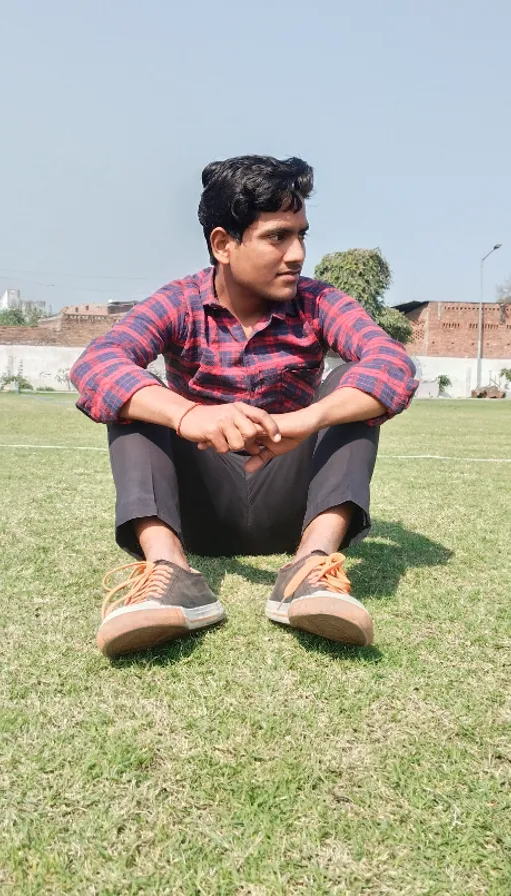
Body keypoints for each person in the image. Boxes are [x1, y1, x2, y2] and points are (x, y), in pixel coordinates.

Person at [71, 155, 418, 659]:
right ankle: (170, 572)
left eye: (301, 235)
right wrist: (188, 414)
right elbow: (96, 364)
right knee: (133, 396)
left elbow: (392, 364)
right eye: (277, 237)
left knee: (353, 386)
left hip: (294, 507)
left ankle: (309, 570)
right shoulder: (179, 303)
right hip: (198, 511)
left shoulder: (319, 302)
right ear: (223, 245)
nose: (297, 254)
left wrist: (307, 420)